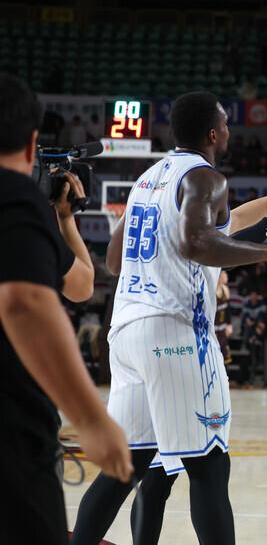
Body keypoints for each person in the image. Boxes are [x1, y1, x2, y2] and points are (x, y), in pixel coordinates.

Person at [71, 91, 267, 545]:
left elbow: (115, 261)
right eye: (225, 123)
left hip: (126, 333)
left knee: (126, 467)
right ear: (213, 134)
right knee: (209, 466)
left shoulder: (147, 180)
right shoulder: (206, 177)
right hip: (175, 332)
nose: (229, 130)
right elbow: (198, 243)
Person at [0, 72, 132, 545]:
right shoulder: (14, 199)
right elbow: (51, 294)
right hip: (12, 431)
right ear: (31, 144)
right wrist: (92, 420)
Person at [214, 270, 233, 366]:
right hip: (212, 327)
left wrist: (229, 324)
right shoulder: (211, 289)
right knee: (214, 354)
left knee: (225, 354)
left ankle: (226, 374)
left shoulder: (225, 289)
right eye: (224, 274)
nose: (226, 276)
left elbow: (228, 310)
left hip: (222, 327)